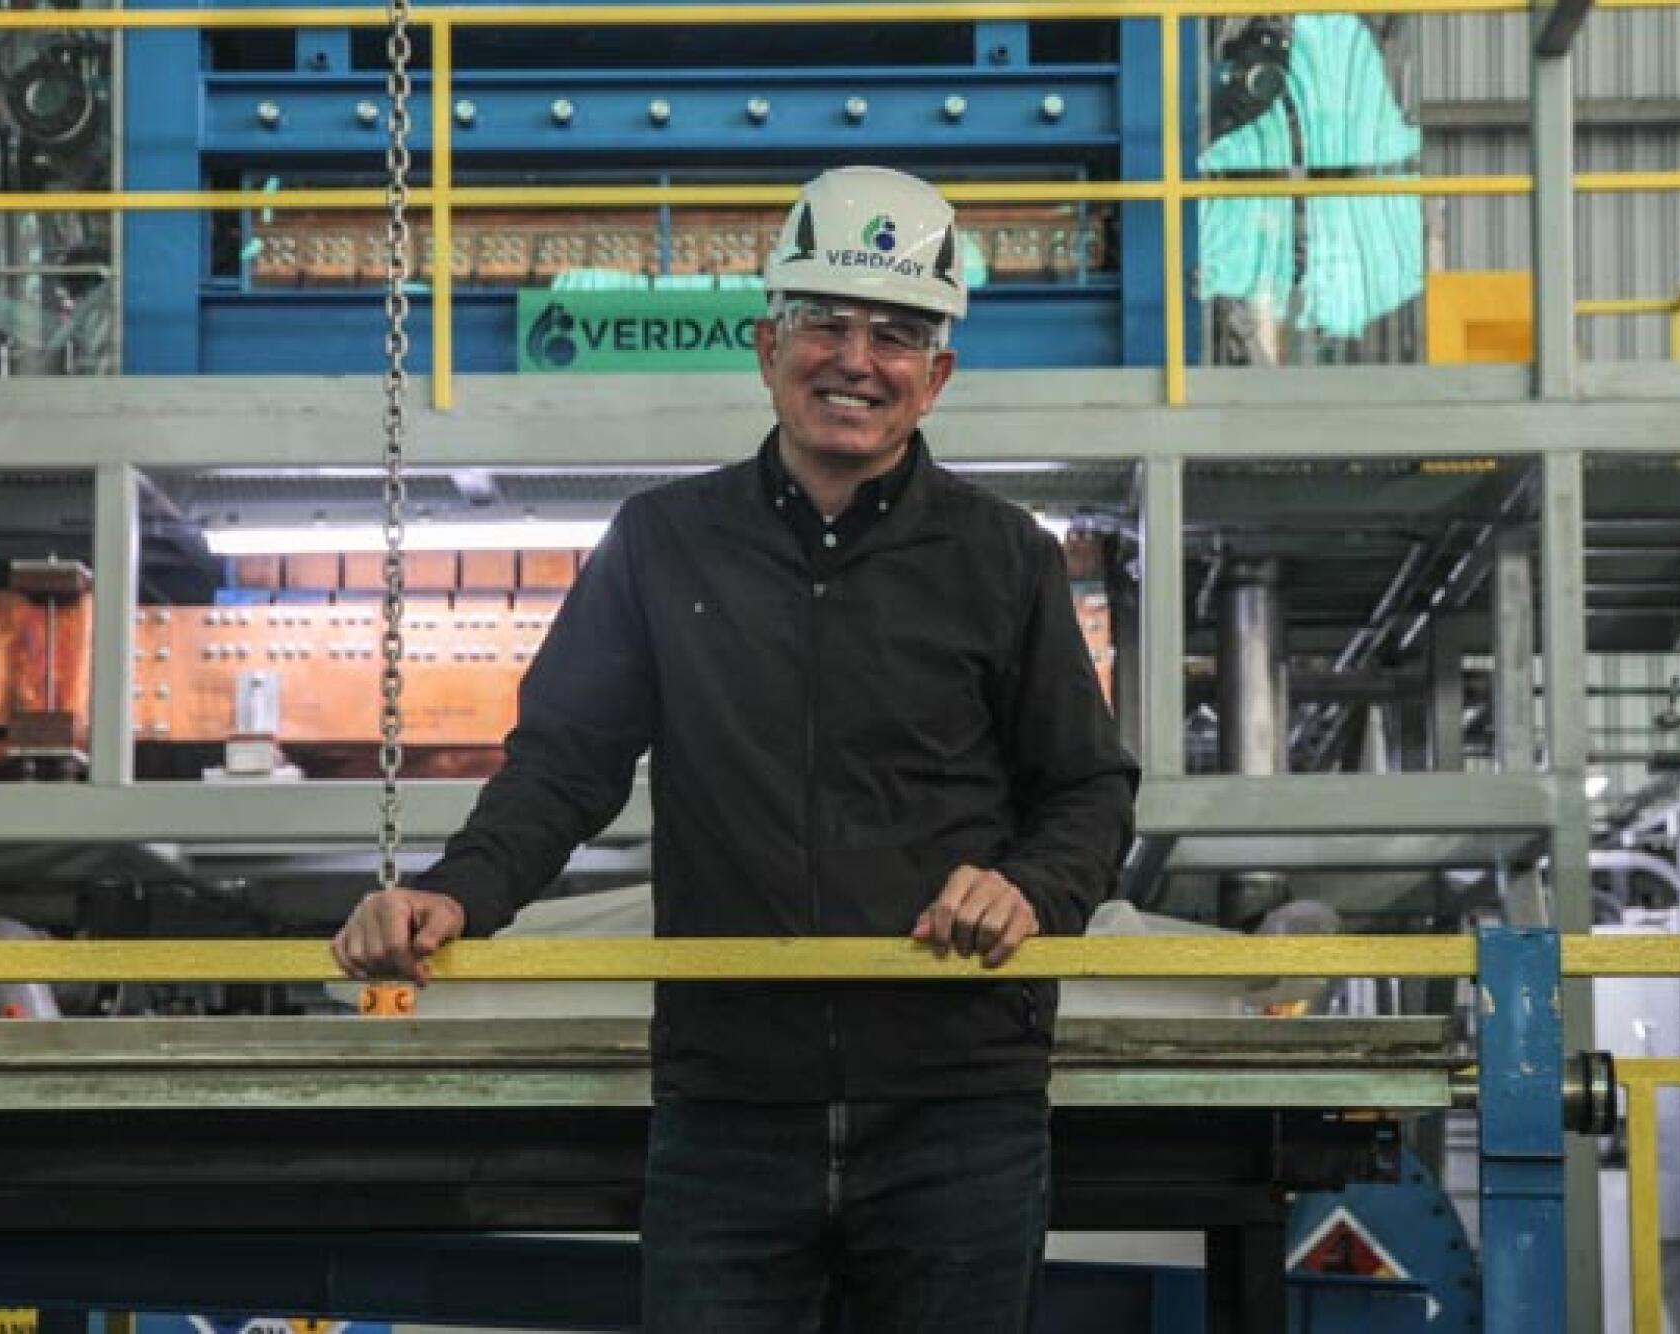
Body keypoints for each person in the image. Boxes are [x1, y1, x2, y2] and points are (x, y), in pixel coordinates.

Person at [332, 164, 1141, 1333]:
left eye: (896, 333)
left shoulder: (1003, 558)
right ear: (766, 347)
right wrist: (456, 893)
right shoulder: (664, 544)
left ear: (938, 375)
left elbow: (1086, 789)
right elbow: (564, 761)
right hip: (729, 1111)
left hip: (954, 1106)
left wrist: (1026, 885)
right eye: (823, 321)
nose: (855, 358)